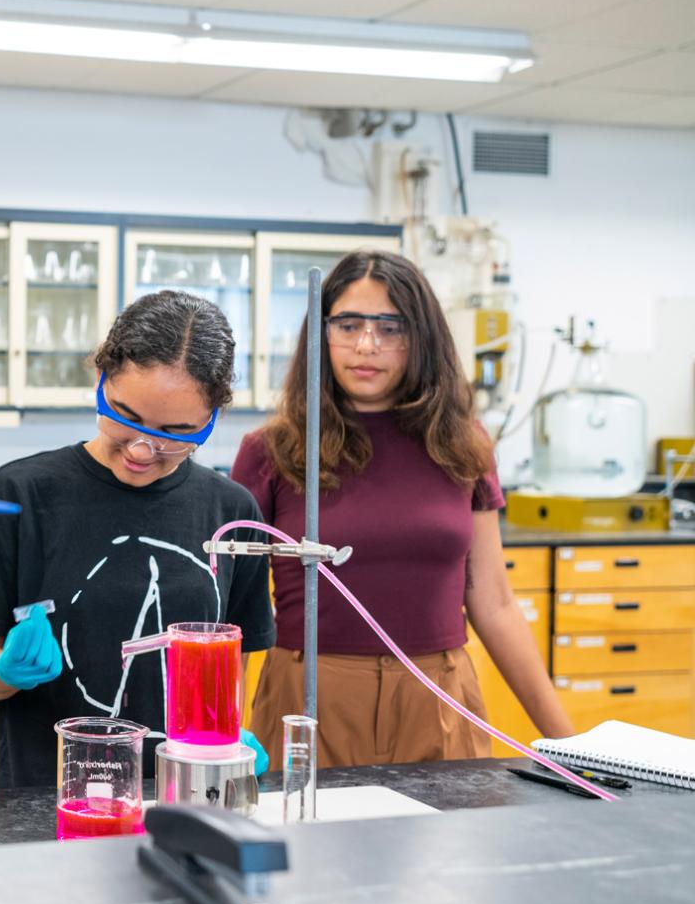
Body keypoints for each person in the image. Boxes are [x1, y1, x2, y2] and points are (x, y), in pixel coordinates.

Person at [232, 250, 573, 770]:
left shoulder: (462, 446)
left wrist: (571, 746)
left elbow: (495, 602)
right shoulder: (274, 449)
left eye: (390, 327)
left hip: (438, 695)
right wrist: (215, 736)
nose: (367, 345)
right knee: (311, 852)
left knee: (446, 852)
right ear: (321, 333)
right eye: (348, 324)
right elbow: (231, 614)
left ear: (421, 338)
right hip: (306, 700)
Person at [0, 290, 275, 787]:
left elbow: (235, 671)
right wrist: (4, 671)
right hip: (49, 794)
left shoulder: (231, 513)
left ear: (213, 418)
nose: (143, 449)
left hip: (179, 792)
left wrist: (227, 743)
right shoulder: (20, 494)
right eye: (126, 417)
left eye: (176, 432)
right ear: (100, 378)